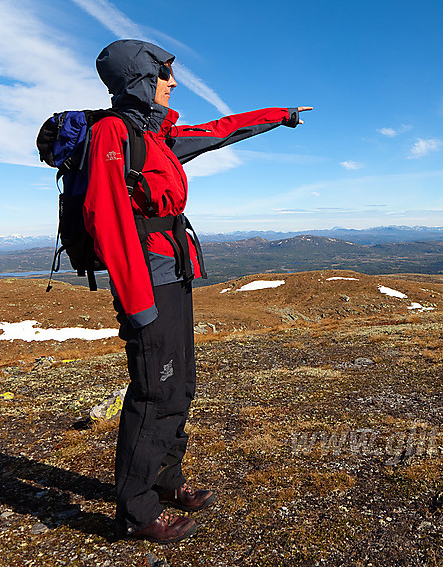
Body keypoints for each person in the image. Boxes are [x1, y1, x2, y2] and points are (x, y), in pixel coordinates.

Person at [86, 39, 310, 544]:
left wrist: (281, 115)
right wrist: (138, 300)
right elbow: (108, 218)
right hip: (147, 280)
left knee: (180, 383)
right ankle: (135, 512)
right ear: (142, 78)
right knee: (154, 391)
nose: (174, 82)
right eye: (165, 74)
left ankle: (165, 481)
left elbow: (219, 132)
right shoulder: (113, 133)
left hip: (174, 272)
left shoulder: (157, 135)